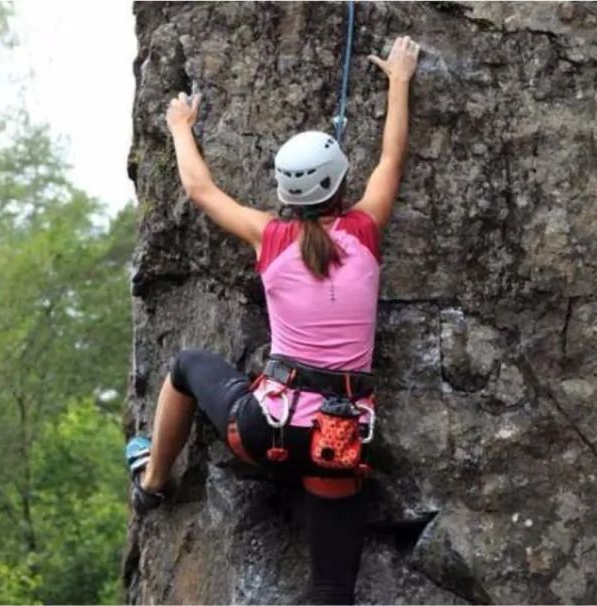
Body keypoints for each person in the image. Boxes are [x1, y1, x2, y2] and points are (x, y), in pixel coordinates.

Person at [126, 35, 420, 605]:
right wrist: (400, 81)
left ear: (285, 192)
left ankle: (154, 483)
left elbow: (200, 189)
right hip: (338, 440)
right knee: (332, 592)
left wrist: (182, 125)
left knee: (187, 366)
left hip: (267, 429)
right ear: (339, 183)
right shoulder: (363, 231)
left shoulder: (272, 238)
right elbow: (391, 159)